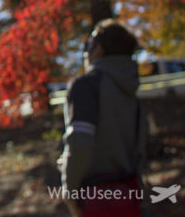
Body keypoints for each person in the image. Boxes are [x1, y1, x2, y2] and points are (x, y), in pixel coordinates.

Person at [58, 19, 148, 216]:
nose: (86, 52)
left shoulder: (86, 85)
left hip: (99, 200)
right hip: (132, 196)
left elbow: (80, 143)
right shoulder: (130, 88)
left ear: (98, 49)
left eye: (88, 45)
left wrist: (70, 194)